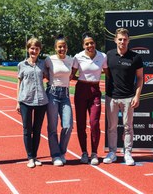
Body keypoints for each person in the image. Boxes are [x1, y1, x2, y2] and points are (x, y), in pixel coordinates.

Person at [103, 28, 143, 166]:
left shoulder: (136, 57)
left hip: (128, 98)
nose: (122, 42)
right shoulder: (108, 55)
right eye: (120, 39)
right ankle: (112, 152)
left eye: (125, 39)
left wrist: (137, 96)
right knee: (112, 127)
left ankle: (127, 153)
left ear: (128, 40)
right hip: (112, 97)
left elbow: (140, 78)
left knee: (128, 127)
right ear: (115, 40)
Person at [71, 32, 108, 165]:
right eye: (87, 43)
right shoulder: (78, 57)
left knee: (94, 123)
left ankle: (94, 153)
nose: (90, 45)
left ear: (95, 43)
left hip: (95, 91)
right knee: (81, 124)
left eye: (91, 43)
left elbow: (108, 74)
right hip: (81, 90)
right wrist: (83, 79)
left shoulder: (102, 56)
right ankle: (84, 153)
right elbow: (71, 75)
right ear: (83, 45)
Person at [16, 37, 48, 168]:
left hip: (41, 100)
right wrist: (17, 101)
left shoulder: (43, 64)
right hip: (26, 100)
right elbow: (19, 83)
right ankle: (30, 157)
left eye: (36, 48)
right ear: (28, 49)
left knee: (37, 130)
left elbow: (48, 77)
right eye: (32, 48)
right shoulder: (21, 65)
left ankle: (35, 155)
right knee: (27, 130)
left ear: (39, 50)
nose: (34, 51)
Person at [45, 35, 74, 166]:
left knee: (68, 126)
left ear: (67, 47)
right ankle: (55, 155)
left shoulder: (71, 60)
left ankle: (62, 152)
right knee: (52, 127)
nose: (62, 48)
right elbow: (43, 73)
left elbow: (73, 74)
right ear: (55, 48)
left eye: (64, 46)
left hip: (66, 95)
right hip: (52, 93)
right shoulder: (49, 60)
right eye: (59, 47)